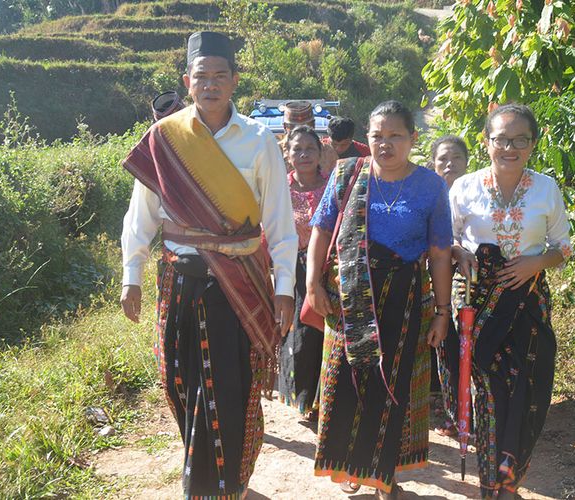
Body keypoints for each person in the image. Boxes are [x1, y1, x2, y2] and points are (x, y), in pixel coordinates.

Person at [119, 31, 298, 499]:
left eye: (221, 75)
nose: (212, 84)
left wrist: (285, 288)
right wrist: (131, 275)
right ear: (188, 80)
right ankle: (203, 470)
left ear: (235, 80)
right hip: (179, 279)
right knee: (180, 385)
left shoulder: (260, 141)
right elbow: (142, 214)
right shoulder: (165, 139)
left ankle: (222, 484)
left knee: (229, 386)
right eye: (203, 76)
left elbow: (279, 221)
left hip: (236, 285)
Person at [307, 100, 453, 499]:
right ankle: (352, 466)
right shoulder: (346, 174)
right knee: (347, 383)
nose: (385, 144)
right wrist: (312, 286)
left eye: (395, 136)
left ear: (413, 138)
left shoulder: (430, 186)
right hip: (349, 297)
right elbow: (321, 231)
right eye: (376, 136)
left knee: (393, 387)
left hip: (405, 303)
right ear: (365, 138)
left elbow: (440, 252)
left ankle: (385, 477)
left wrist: (443, 312)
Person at [449, 103, 572, 499]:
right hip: (475, 300)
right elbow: (445, 239)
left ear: (533, 144)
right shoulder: (464, 187)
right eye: (501, 138)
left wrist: (535, 263)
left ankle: (509, 475)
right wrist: (458, 253)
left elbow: (563, 248)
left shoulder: (546, 189)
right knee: (489, 388)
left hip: (528, 298)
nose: (510, 147)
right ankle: (492, 480)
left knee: (529, 386)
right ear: (486, 142)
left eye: (520, 139)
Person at [278, 125, 328, 420]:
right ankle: (304, 399)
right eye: (297, 149)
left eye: (310, 148)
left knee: (324, 333)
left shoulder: (333, 186)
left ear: (321, 153)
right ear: (287, 154)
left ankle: (325, 400)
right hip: (293, 270)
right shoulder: (278, 189)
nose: (304, 154)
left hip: (328, 269)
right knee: (299, 335)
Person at [427, 134, 470, 438]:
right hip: (432, 282)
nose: (449, 164)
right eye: (443, 158)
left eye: (456, 157)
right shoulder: (428, 194)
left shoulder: (478, 193)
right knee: (443, 347)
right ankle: (449, 409)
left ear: (467, 161)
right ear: (433, 163)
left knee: (466, 348)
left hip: (469, 283)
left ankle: (467, 412)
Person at [280, 100, 338, 174]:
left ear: (313, 125)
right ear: (285, 127)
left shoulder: (328, 152)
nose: (300, 133)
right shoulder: (274, 152)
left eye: (305, 128)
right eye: (294, 128)